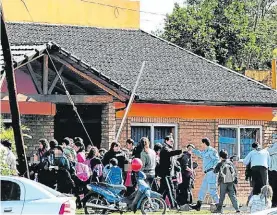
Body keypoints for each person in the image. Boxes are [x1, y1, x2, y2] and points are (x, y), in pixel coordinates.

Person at [190, 138, 220, 211]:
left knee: (212, 190)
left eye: (201, 143)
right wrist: (193, 150)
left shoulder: (212, 151)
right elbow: (200, 154)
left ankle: (219, 206)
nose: (201, 145)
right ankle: (198, 205)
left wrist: (214, 169)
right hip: (207, 173)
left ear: (204, 143)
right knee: (203, 189)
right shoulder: (205, 151)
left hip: (211, 172)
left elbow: (217, 160)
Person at [213, 149, 240, 213]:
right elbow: (235, 172)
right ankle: (237, 209)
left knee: (222, 196)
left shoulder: (220, 163)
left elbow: (215, 171)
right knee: (232, 195)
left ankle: (219, 209)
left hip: (223, 182)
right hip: (231, 182)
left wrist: (215, 168)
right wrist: (235, 181)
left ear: (220, 156)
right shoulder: (230, 163)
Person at [159, 135, 182, 208]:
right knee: (171, 190)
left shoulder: (168, 148)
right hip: (166, 174)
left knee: (162, 191)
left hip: (167, 174)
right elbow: (170, 153)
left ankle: (154, 203)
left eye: (173, 141)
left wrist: (177, 168)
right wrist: (180, 151)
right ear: (166, 141)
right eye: (171, 141)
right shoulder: (165, 149)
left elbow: (172, 162)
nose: (172, 143)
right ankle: (174, 206)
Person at [267, 140, 277, 207]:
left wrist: (269, 148)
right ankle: (274, 202)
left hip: (273, 170)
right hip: (272, 170)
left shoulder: (274, 146)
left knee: (274, 187)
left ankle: (274, 202)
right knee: (273, 187)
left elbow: (268, 151)